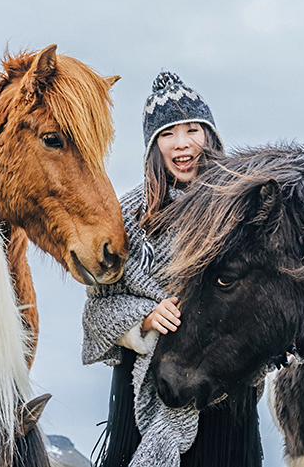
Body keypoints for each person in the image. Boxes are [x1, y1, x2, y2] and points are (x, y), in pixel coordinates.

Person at [83, 71, 263, 467]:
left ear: (209, 136)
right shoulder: (126, 215)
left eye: (192, 130)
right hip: (143, 388)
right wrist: (144, 318)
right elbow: (96, 311)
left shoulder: (241, 212)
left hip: (221, 390)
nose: (182, 144)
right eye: (167, 134)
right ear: (153, 146)